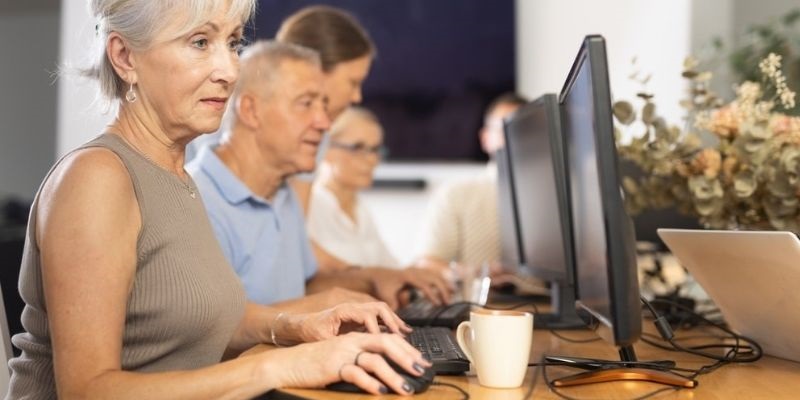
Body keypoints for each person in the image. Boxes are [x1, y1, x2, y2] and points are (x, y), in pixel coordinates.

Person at [6, 1, 430, 398]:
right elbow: (88, 391)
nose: (229, 70)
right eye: (200, 43)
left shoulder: (177, 178)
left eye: (233, 43)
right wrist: (279, 367)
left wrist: (301, 326)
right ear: (125, 57)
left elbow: (200, 322)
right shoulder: (96, 179)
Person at [187, 40, 449, 311]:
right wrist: (323, 307)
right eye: (306, 103)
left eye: (323, 105)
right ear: (251, 111)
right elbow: (215, 331)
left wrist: (375, 278)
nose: (324, 122)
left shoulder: (282, 192)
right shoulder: (197, 202)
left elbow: (305, 285)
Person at [416, 93, 527, 273]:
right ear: (485, 138)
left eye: (524, 130)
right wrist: (479, 274)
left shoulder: (561, 196)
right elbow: (427, 265)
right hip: (478, 299)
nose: (515, 139)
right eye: (504, 129)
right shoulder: (455, 195)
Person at [306, 107, 401, 271]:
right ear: (325, 149)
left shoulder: (361, 210)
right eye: (358, 148)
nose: (372, 160)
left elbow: (391, 270)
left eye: (375, 150)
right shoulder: (309, 207)